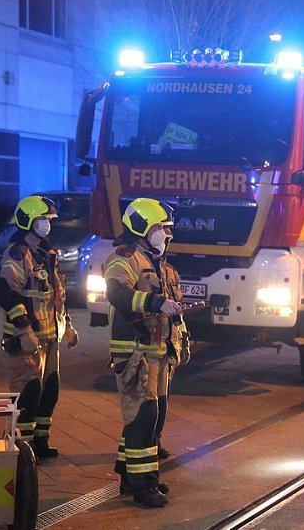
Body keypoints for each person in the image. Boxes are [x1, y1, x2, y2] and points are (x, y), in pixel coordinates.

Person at [103, 197, 191, 508]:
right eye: (160, 228)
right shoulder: (123, 259)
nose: (166, 235)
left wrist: (181, 337)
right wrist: (154, 303)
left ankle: (131, 475)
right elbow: (117, 293)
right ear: (141, 227)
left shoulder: (159, 263)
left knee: (154, 418)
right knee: (142, 418)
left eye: (167, 229)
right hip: (135, 354)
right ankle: (143, 486)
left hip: (159, 353)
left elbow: (171, 308)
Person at [0, 195, 79, 460]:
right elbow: (8, 295)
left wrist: (67, 326)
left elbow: (56, 294)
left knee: (50, 390)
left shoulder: (47, 254)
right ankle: (23, 448)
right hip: (27, 339)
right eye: (43, 220)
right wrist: (25, 331)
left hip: (50, 336)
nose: (47, 225)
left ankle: (41, 442)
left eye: (48, 220)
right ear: (28, 222)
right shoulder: (17, 254)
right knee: (29, 391)